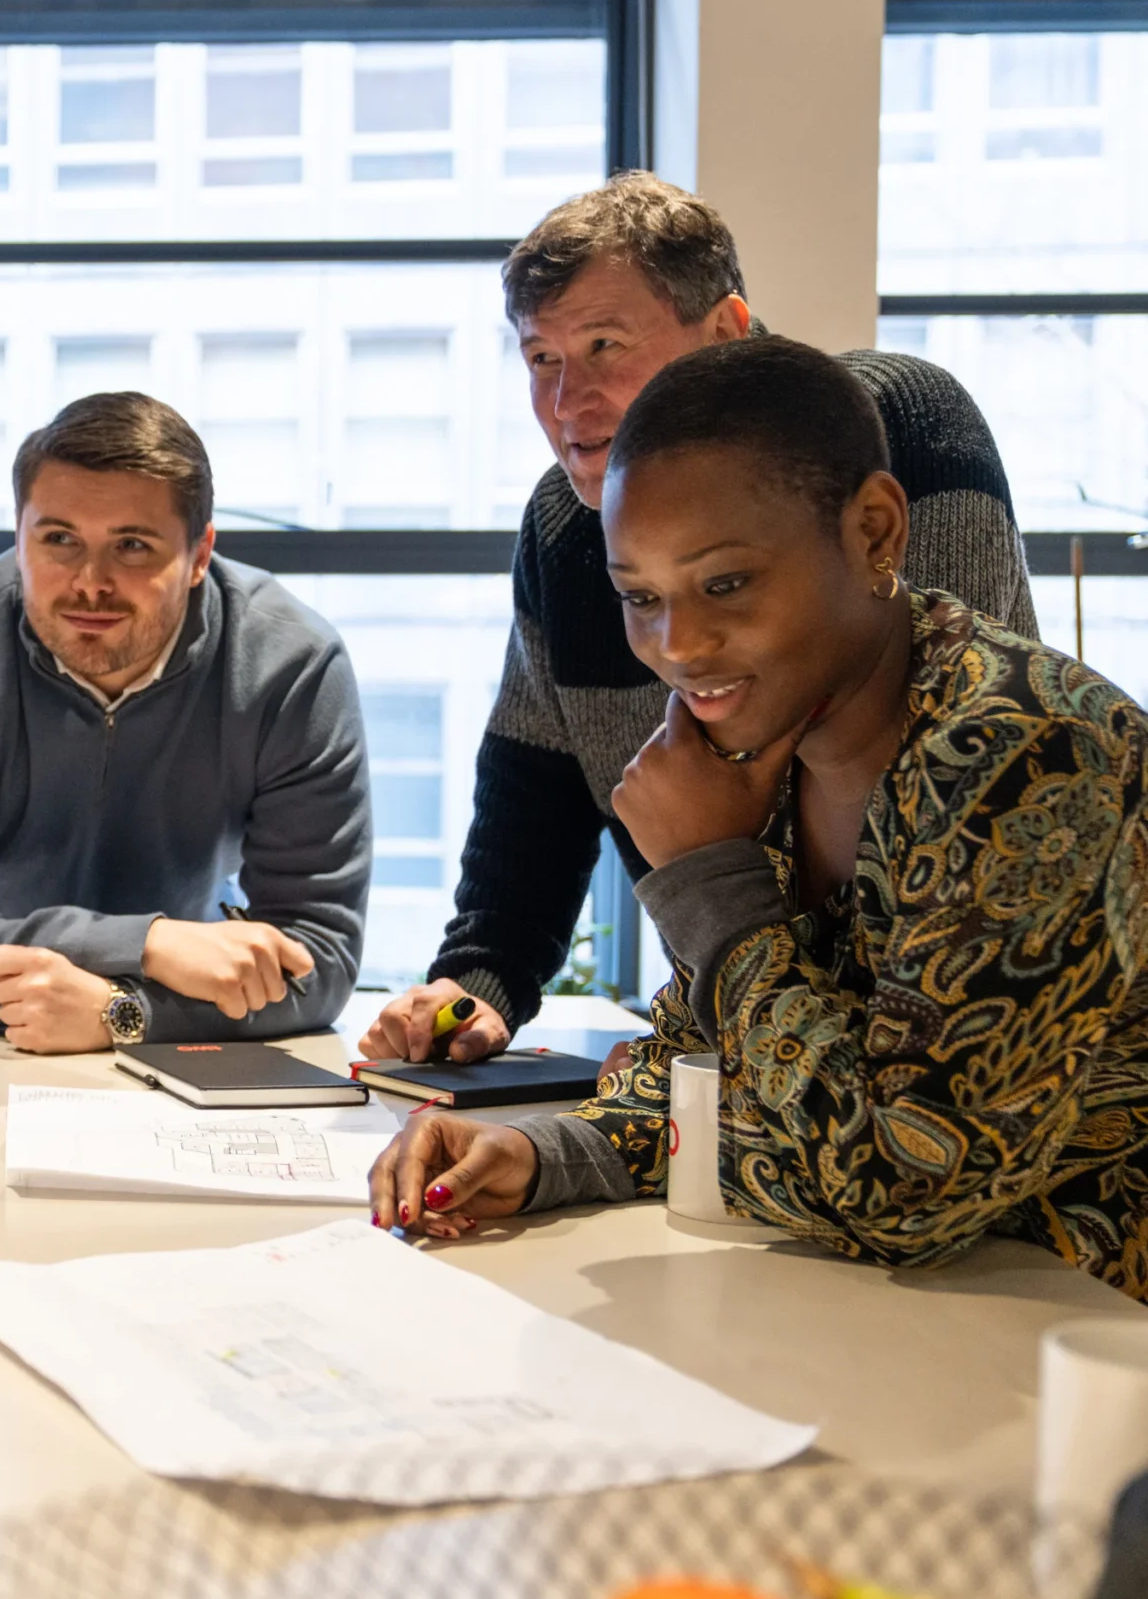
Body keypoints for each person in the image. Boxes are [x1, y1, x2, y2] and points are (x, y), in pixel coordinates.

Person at [368, 337, 1148, 1300]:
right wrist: (546, 1152)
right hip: (909, 1327)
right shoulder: (769, 733)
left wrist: (710, 880)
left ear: (875, 533)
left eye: (726, 584)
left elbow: (903, 1192)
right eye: (640, 596)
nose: (680, 646)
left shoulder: (1024, 750)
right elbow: (705, 1069)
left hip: (1082, 1348)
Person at [358, 173, 1037, 1068]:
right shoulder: (564, 525)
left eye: (605, 345)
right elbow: (538, 786)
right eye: (541, 360)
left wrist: (712, 851)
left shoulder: (895, 427)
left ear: (725, 330)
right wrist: (477, 983)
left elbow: (959, 761)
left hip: (928, 1021)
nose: (567, 404)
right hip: (730, 1037)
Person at [0, 392, 372, 1051]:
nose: (89, 582)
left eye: (131, 545)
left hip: (194, 1060)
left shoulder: (293, 665)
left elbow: (316, 957)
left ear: (200, 554)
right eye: (59, 540)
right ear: (19, 536)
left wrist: (119, 1011)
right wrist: (148, 944)